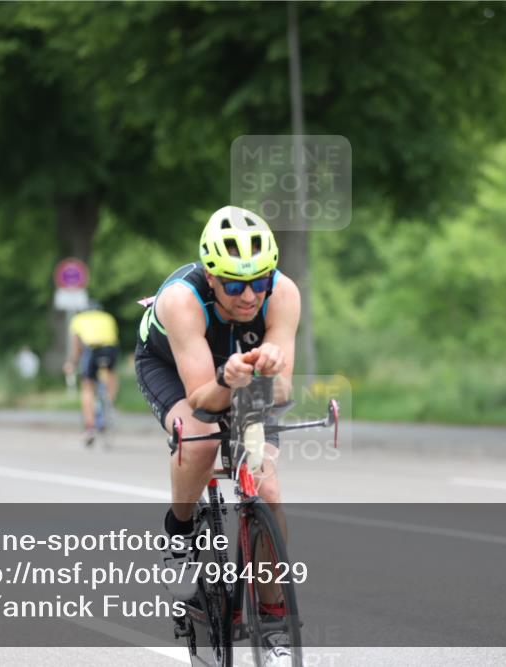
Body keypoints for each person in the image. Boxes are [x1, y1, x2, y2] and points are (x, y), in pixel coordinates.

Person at [135, 206, 299, 665]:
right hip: (174, 366)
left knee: (266, 488)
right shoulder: (180, 301)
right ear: (211, 277)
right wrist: (228, 380)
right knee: (202, 438)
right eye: (233, 284)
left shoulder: (283, 293)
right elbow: (204, 398)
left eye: (258, 281)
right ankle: (180, 532)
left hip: (238, 371)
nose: (248, 296)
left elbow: (282, 388)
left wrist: (265, 371)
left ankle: (273, 626)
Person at [63, 300, 120, 445]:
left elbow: (76, 346)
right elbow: (114, 338)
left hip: (92, 349)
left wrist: (72, 363)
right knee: (111, 374)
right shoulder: (108, 317)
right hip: (110, 350)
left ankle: (90, 427)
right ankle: (109, 402)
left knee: (87, 387)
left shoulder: (78, 319)